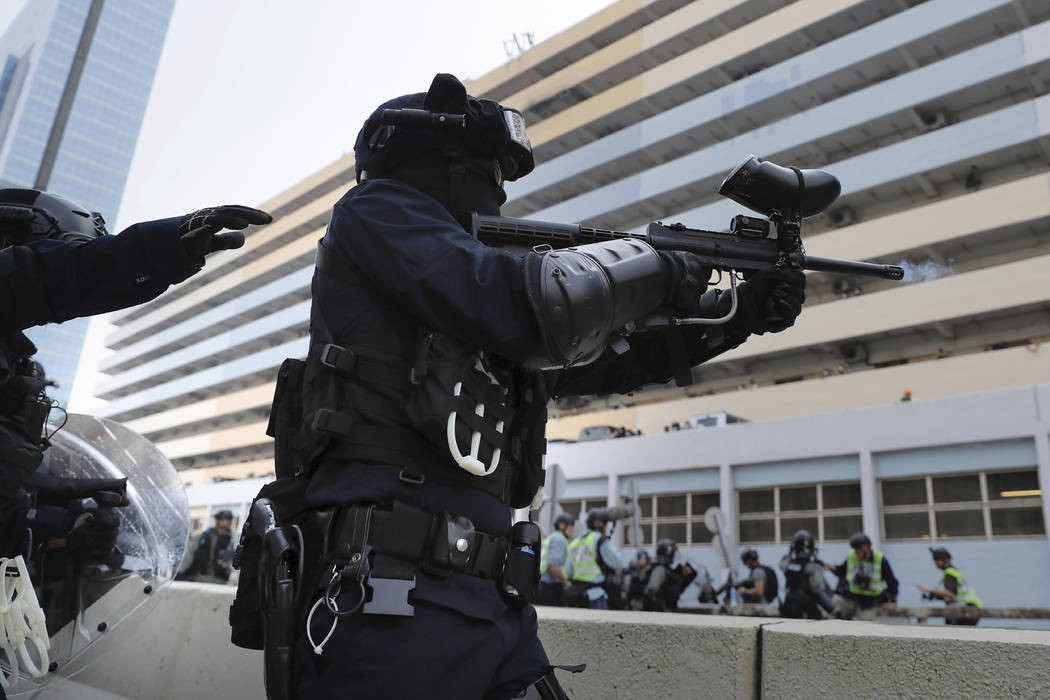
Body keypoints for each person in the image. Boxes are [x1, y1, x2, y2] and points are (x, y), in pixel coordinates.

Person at [241, 72, 805, 700]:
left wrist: (736, 313)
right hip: (388, 596)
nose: (501, 194)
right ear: (444, 165)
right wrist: (657, 267)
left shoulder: (469, 295)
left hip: (493, 604)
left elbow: (592, 362)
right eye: (491, 173)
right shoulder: (378, 216)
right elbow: (522, 305)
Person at [826, 532, 899, 620]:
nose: (856, 553)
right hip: (850, 597)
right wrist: (831, 568)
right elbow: (842, 571)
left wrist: (893, 601)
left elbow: (892, 582)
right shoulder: (852, 556)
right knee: (830, 610)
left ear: (866, 548)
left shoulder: (880, 560)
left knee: (866, 625)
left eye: (857, 550)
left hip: (868, 601)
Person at [567, 509, 625, 610]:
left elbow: (568, 572)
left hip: (577, 596)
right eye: (605, 524)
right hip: (596, 595)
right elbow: (618, 563)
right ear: (600, 524)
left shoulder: (574, 543)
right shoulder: (600, 540)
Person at [917, 547, 982, 626]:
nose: (935, 562)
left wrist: (929, 590)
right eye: (934, 559)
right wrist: (934, 596)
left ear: (946, 559)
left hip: (964, 610)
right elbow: (953, 596)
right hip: (969, 608)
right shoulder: (953, 571)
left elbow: (951, 593)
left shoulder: (949, 573)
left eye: (937, 559)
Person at [779, 530, 836, 619]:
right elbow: (819, 588)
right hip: (808, 608)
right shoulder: (814, 567)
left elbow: (782, 564)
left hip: (790, 606)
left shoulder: (787, 564)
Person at [178, 510, 236, 584]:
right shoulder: (205, 536)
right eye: (222, 518)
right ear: (217, 520)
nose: (225, 521)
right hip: (200, 578)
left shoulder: (231, 540)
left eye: (228, 519)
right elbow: (190, 554)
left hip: (220, 580)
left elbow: (231, 561)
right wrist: (179, 571)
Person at [642, 538, 696, 612]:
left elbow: (675, 591)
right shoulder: (660, 569)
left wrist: (688, 577)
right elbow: (651, 592)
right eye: (673, 553)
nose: (674, 556)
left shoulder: (667, 570)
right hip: (660, 615)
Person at [537, 513, 575, 606]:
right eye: (571, 526)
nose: (573, 529)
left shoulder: (551, 538)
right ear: (562, 525)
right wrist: (566, 583)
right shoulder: (559, 540)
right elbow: (553, 566)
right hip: (551, 588)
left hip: (543, 585)